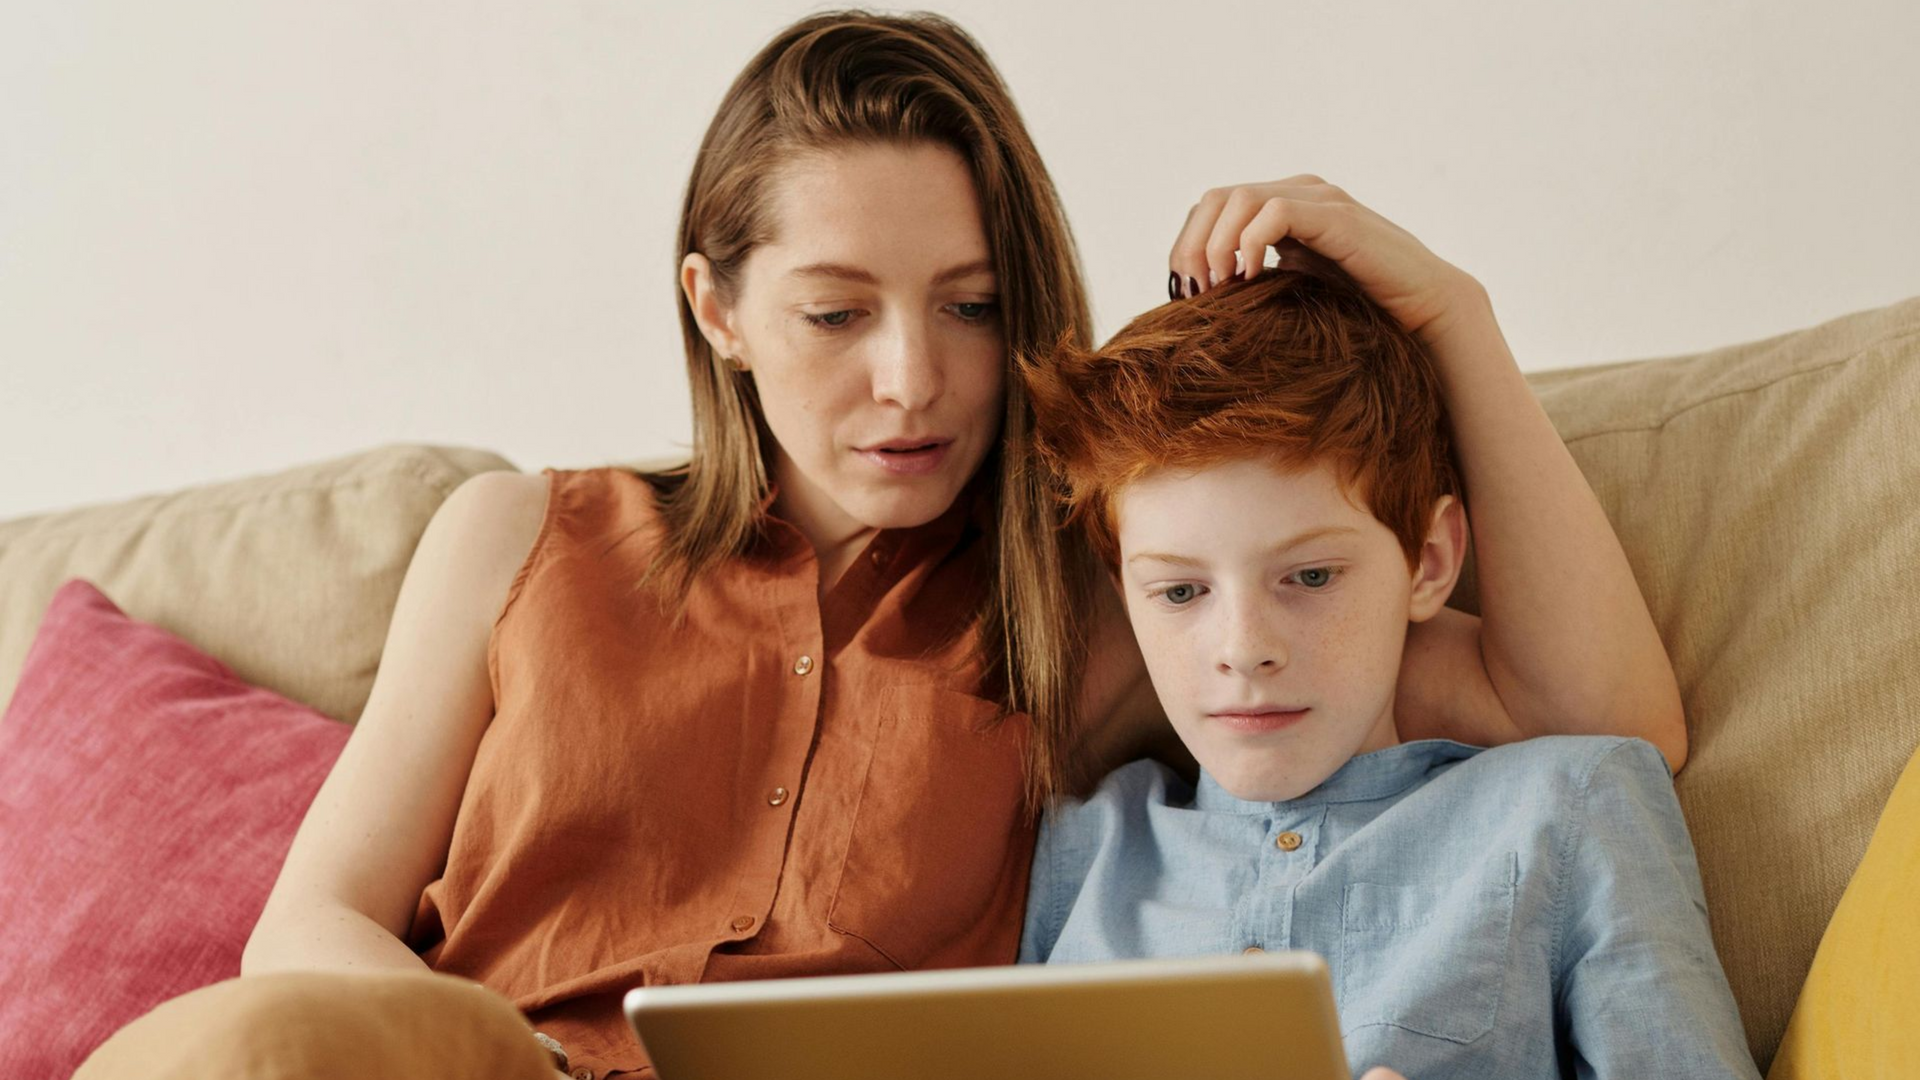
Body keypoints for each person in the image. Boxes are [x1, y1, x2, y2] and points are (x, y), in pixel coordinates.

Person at [74, 10, 1685, 1080]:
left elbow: (1588, 712)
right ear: (717, 309)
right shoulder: (519, 537)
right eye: (837, 312)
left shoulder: (1111, 605)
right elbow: (312, 927)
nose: (912, 378)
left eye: (972, 310)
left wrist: (1447, 312)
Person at [1016, 267, 1755, 1079]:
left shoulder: (1565, 808)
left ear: (1429, 562)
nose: (1244, 647)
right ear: (1125, 591)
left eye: (1310, 577)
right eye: (1182, 591)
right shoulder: (1081, 850)